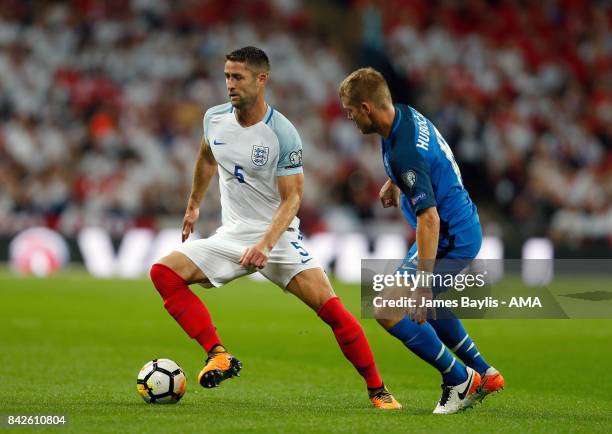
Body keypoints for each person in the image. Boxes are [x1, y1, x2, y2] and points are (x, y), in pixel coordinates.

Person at [149, 47, 400, 409]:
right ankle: (217, 354)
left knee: (334, 312)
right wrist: (193, 204)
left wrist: (266, 244)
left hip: (278, 238)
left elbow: (292, 200)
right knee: (163, 273)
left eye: (238, 77)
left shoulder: (282, 133)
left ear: (261, 79)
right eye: (226, 77)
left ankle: (379, 390)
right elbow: (206, 157)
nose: (230, 85)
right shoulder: (214, 118)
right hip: (233, 235)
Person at [338, 67, 504, 414]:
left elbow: (429, 217)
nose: (348, 117)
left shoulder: (404, 153)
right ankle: (484, 372)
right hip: (459, 226)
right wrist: (395, 181)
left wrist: (424, 283)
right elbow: (428, 160)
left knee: (387, 306)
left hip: (448, 236)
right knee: (416, 301)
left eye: (350, 110)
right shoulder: (406, 115)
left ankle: (460, 379)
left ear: (367, 108)